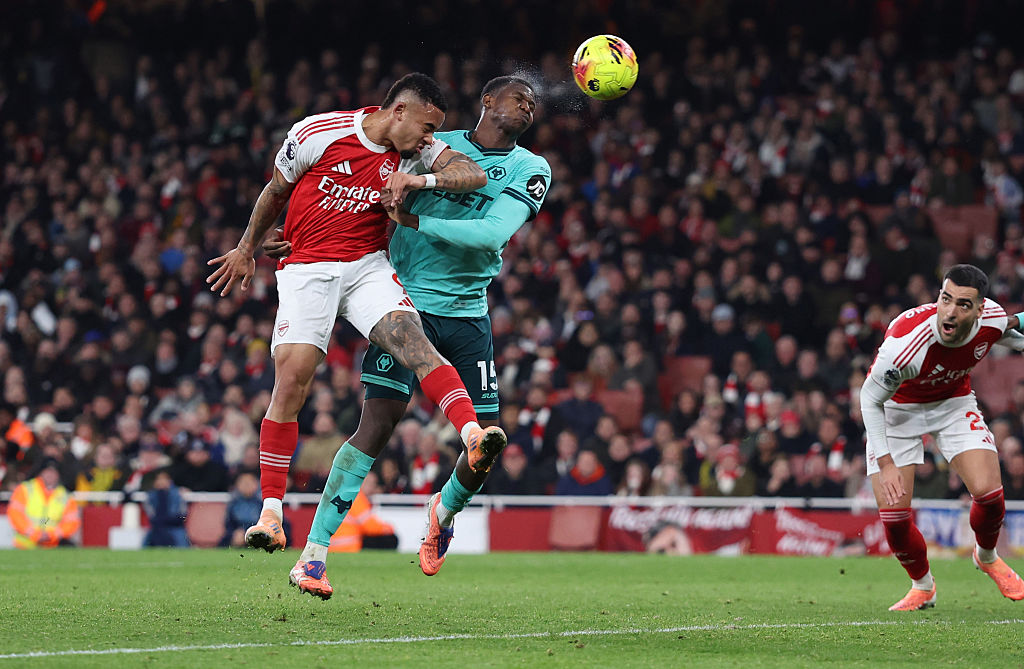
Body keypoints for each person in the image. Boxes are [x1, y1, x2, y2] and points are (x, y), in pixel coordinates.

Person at [265, 76, 549, 598]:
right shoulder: (427, 143)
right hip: (405, 301)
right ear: (487, 100)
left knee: (484, 445)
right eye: (518, 97)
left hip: (467, 316)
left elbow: (490, 234)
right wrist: (297, 234)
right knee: (375, 427)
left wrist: (414, 213)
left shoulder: (531, 168)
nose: (529, 106)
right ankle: (314, 554)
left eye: (534, 102)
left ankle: (444, 511)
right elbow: (352, 190)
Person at [207, 73, 508, 559]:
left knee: (416, 345)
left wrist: (419, 178)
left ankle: (473, 435)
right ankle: (270, 513)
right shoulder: (316, 133)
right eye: (428, 126)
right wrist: (247, 248)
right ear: (399, 111)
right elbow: (275, 192)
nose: (431, 137)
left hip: (367, 267)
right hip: (307, 270)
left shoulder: (415, 153)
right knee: (293, 381)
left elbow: (471, 174)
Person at [861, 264, 1024, 611]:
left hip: (951, 402)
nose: (950, 311)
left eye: (963, 304)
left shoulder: (992, 319)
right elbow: (869, 399)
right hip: (895, 410)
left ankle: (987, 556)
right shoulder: (905, 345)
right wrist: (886, 463)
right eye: (945, 299)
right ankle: (923, 586)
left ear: (979, 309)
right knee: (895, 520)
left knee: (990, 494)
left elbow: (1006, 331)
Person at [7, 458, 81, 549]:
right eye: (47, 471)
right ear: (41, 472)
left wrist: (52, 535)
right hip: (24, 546)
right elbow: (15, 514)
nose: (50, 475)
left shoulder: (65, 496)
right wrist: (32, 533)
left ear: (58, 474)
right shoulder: (25, 489)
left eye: (54, 472)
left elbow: (71, 522)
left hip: (52, 546)